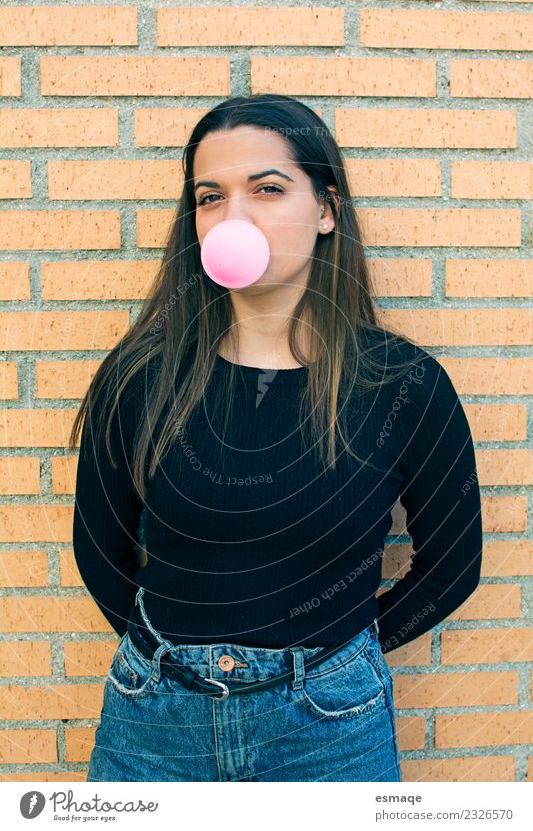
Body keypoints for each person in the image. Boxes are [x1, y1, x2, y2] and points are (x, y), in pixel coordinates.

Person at [69, 94, 483, 783]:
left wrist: (339, 659)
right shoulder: (143, 375)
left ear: (326, 209)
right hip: (153, 726)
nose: (232, 217)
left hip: (330, 733)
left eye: (266, 188)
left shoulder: (402, 385)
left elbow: (450, 565)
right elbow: (99, 546)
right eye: (209, 196)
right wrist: (168, 661)